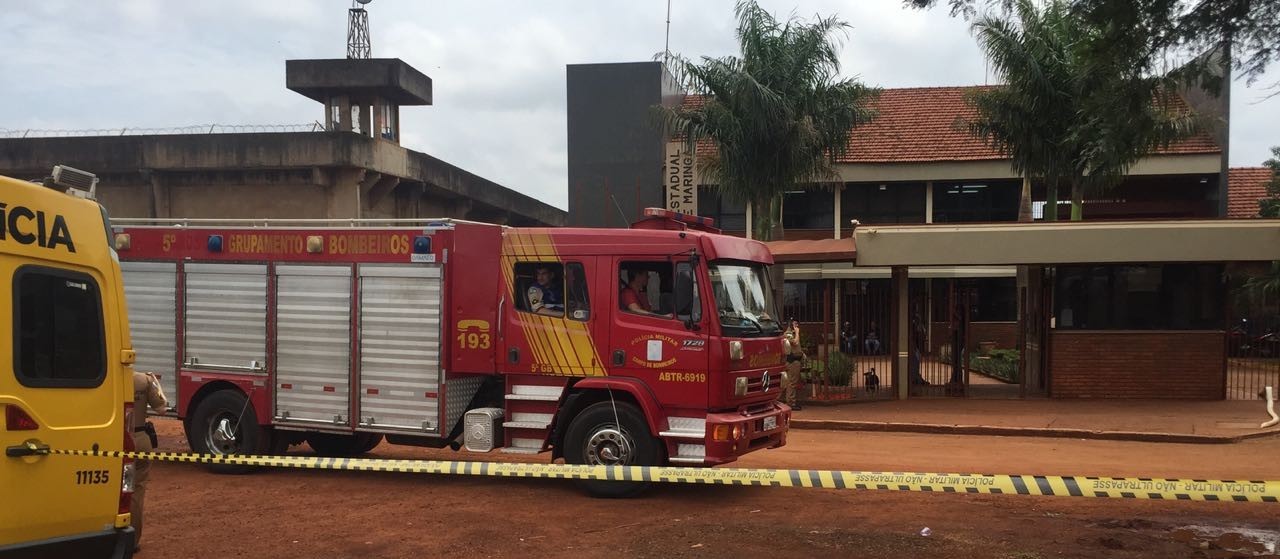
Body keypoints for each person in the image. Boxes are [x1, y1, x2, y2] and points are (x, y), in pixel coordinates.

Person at [131, 371, 168, 550]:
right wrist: (156, 384)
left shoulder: (108, 379)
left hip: (116, 440)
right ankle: (133, 540)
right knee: (136, 490)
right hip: (140, 439)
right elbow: (162, 407)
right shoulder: (143, 380)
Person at [781, 330, 804, 410]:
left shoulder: (792, 334)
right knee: (791, 383)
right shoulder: (788, 333)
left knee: (791, 382)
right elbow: (795, 343)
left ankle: (790, 402)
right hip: (792, 361)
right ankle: (790, 403)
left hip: (795, 361)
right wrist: (797, 332)